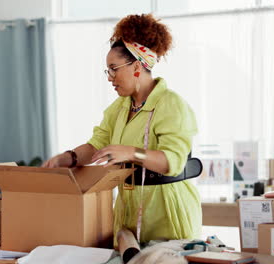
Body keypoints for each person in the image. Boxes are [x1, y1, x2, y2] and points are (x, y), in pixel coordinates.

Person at [42, 14, 201, 245]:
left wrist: (130, 152)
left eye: (114, 69)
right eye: (108, 70)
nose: (110, 77)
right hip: (128, 213)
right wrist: (68, 157)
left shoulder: (171, 104)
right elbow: (96, 145)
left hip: (168, 214)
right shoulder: (118, 109)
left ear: (137, 66)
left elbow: (172, 161)